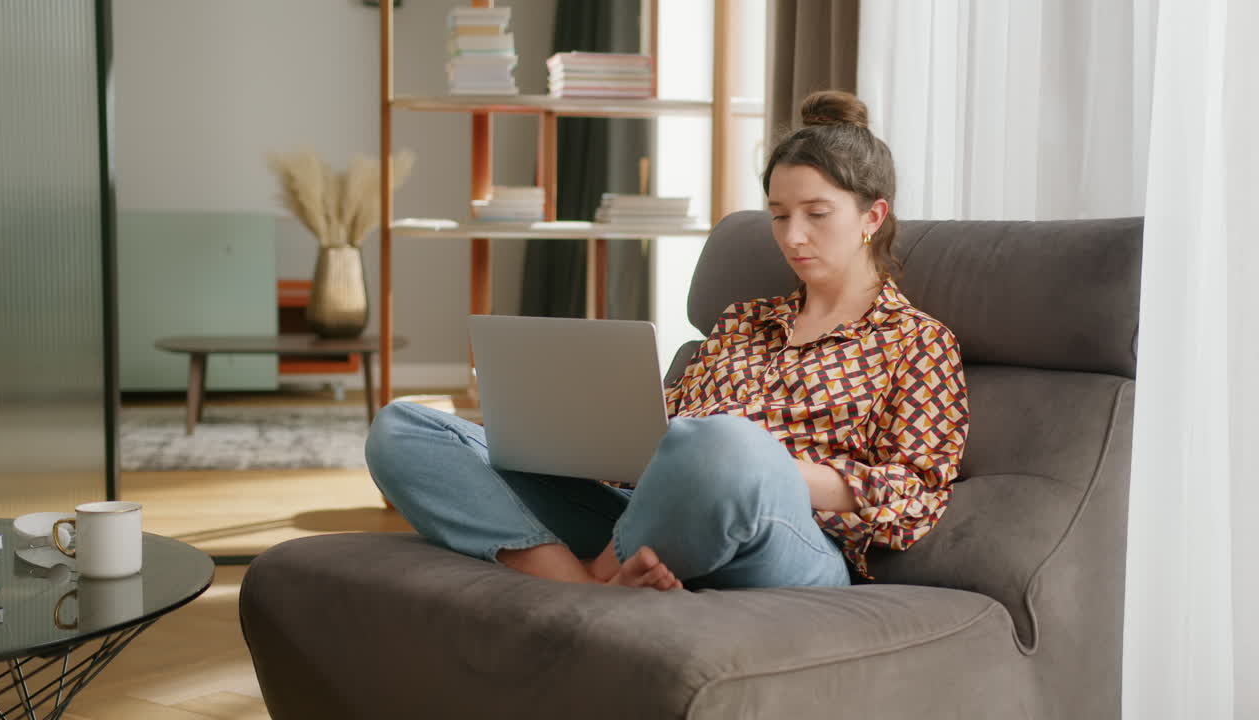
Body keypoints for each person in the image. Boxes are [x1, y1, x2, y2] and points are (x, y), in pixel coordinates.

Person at [366, 90, 969, 591]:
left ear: (871, 217)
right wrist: (583, 432)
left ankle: (597, 578)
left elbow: (916, 495)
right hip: (654, 514)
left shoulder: (918, 342)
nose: (792, 235)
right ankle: (572, 584)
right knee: (402, 429)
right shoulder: (741, 321)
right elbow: (664, 437)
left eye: (816, 213)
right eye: (779, 214)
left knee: (723, 445)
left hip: (789, 542)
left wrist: (768, 468)